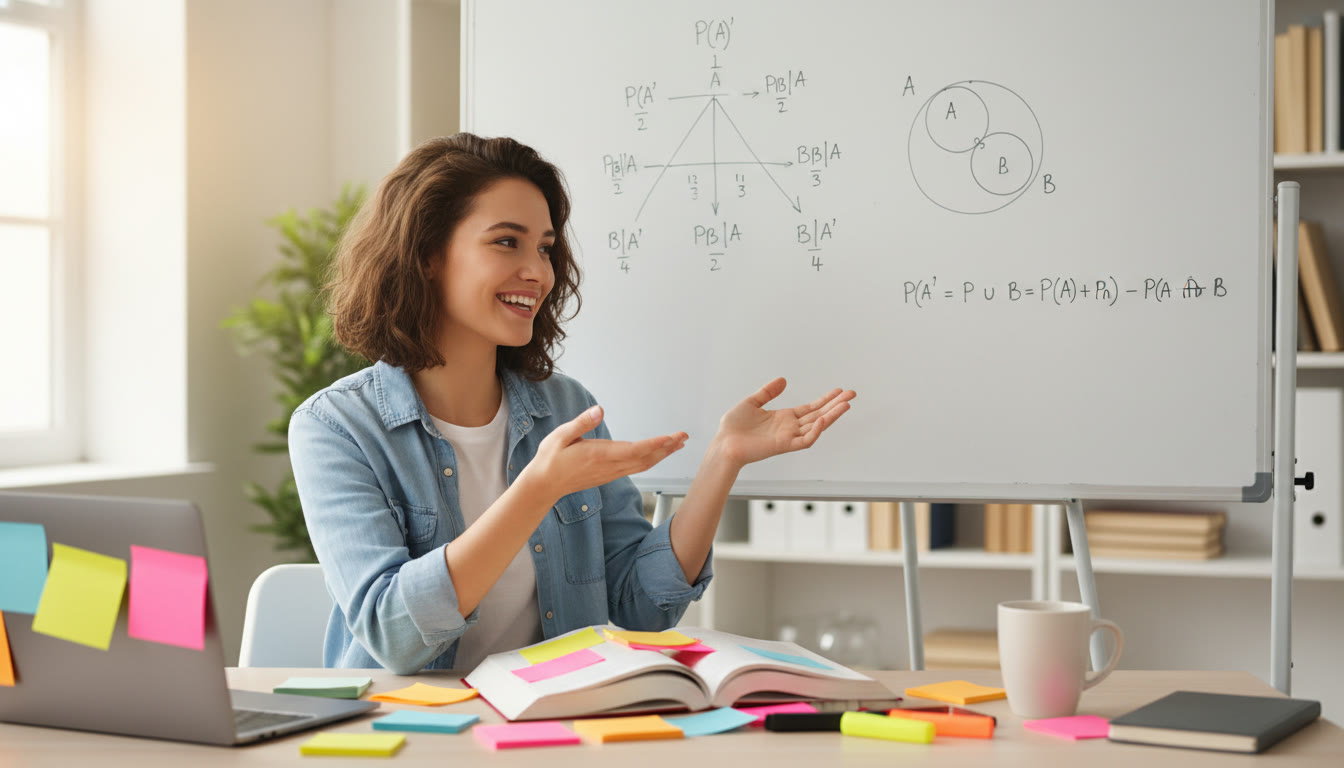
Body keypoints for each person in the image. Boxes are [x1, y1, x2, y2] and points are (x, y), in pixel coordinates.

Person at [288, 133, 855, 674]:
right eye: (506, 242)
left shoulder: (564, 407)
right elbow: (394, 635)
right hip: (403, 733)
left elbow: (640, 605)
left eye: (545, 248)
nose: (537, 271)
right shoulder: (336, 428)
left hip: (547, 725)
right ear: (427, 255)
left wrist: (722, 460)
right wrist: (537, 489)